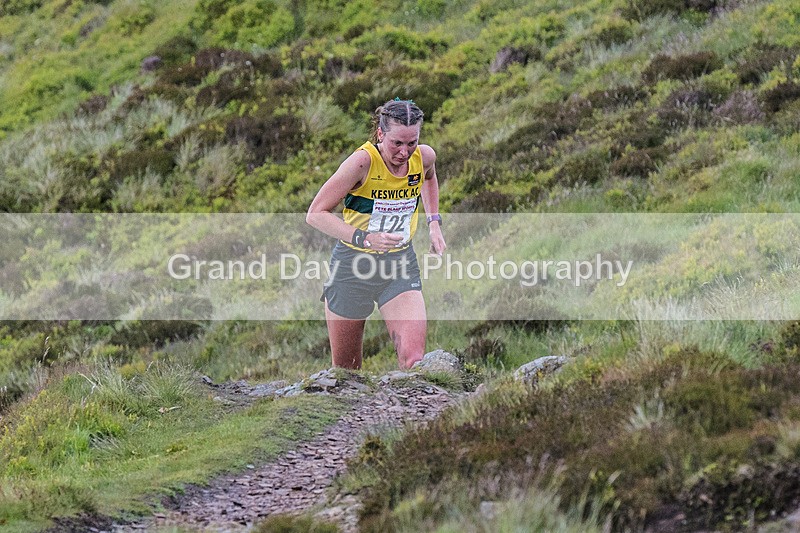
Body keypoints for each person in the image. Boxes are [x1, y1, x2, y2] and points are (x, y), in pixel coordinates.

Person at [306, 98, 446, 370]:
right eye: (397, 143)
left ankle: (411, 412)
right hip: (352, 266)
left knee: (415, 360)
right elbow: (315, 214)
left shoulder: (424, 157)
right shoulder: (362, 162)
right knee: (347, 373)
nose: (404, 152)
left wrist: (434, 224)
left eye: (411, 143)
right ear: (381, 134)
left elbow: (430, 177)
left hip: (399, 265)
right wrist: (364, 237)